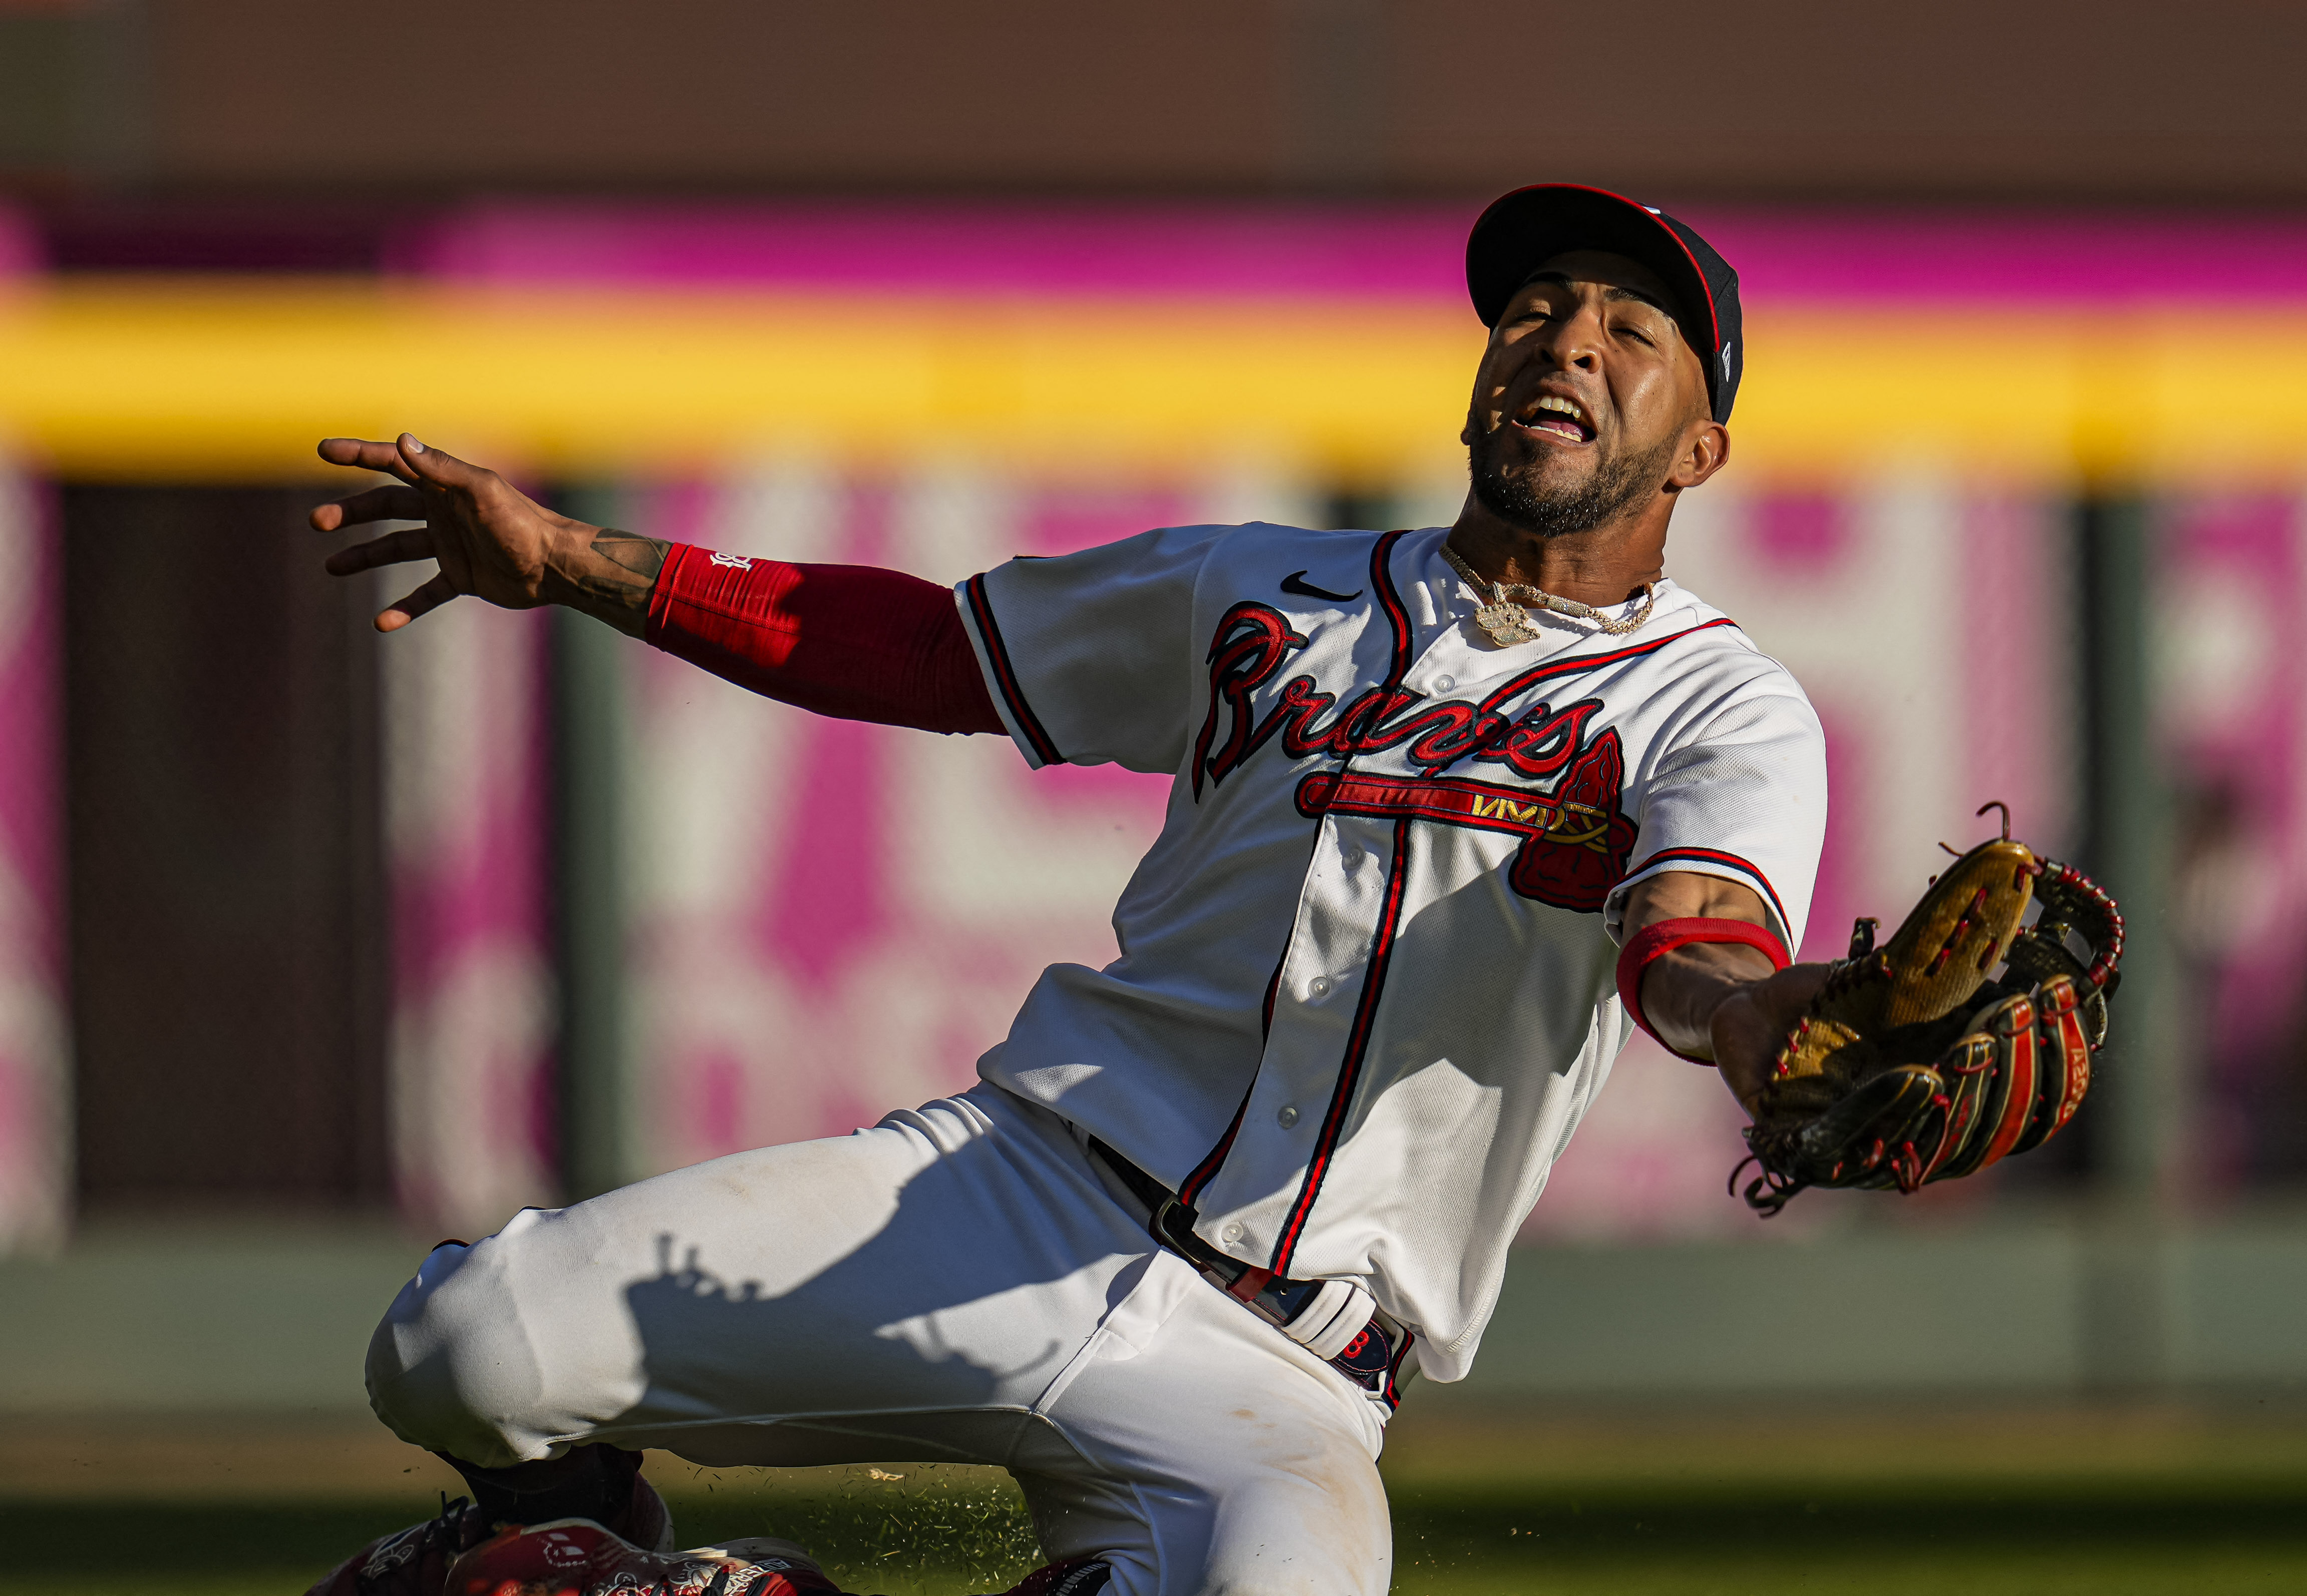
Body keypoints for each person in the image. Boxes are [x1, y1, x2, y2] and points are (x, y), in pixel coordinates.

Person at [305, 184, 1829, 1596]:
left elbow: (1691, 929)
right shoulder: (1267, 587)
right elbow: (925, 649)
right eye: (1536, 308)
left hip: (1274, 1379)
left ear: (1700, 448)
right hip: (1023, 1189)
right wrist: (567, 555)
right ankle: (584, 1525)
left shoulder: (1718, 705)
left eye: (1636, 331)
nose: (1567, 339)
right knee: (459, 1343)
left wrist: (1747, 1013)